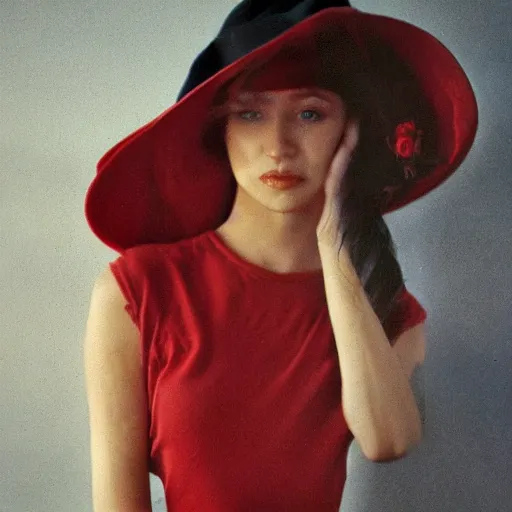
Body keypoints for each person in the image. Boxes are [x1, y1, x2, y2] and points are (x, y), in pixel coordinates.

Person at [83, 1, 478, 511]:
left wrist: (336, 241)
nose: (279, 146)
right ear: (220, 129)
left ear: (349, 134)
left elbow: (388, 440)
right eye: (250, 113)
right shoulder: (136, 292)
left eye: (310, 113)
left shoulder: (387, 304)